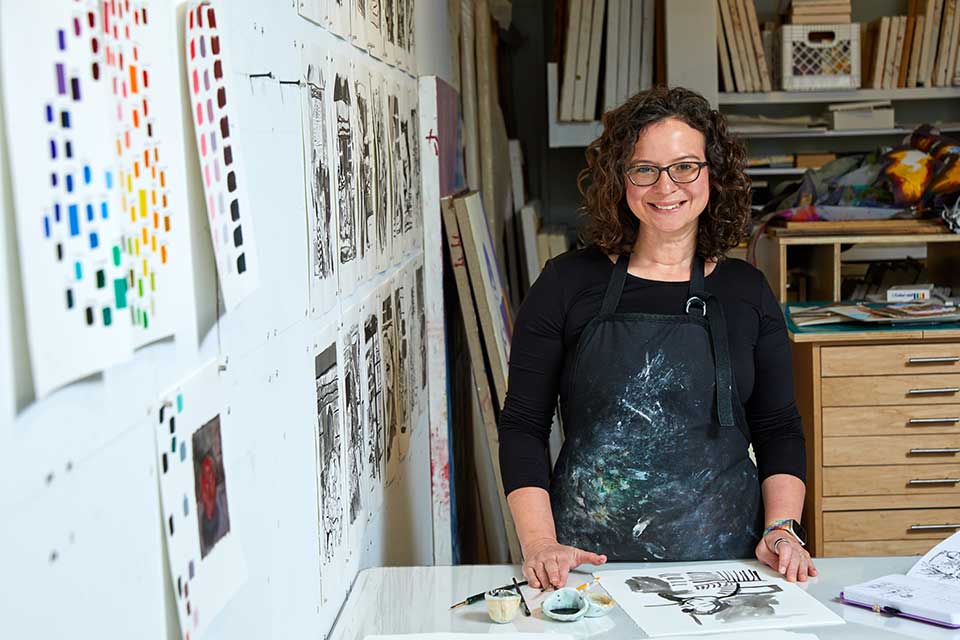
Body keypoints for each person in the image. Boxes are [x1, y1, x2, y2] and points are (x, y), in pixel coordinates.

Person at [498, 86, 815, 591]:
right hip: (586, 567)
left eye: (685, 166)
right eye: (644, 169)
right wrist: (540, 544)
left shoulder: (745, 290)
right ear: (619, 180)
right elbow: (522, 425)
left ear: (713, 173)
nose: (666, 187)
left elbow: (777, 426)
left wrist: (782, 529)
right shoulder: (567, 283)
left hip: (726, 570)